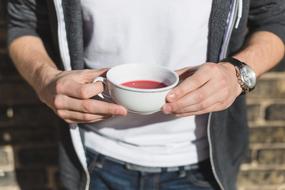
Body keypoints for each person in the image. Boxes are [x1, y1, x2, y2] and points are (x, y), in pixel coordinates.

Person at [7, 0, 285, 189]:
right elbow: (22, 23)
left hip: (202, 167)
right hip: (93, 160)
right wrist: (45, 80)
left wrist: (238, 74)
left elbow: (276, 20)